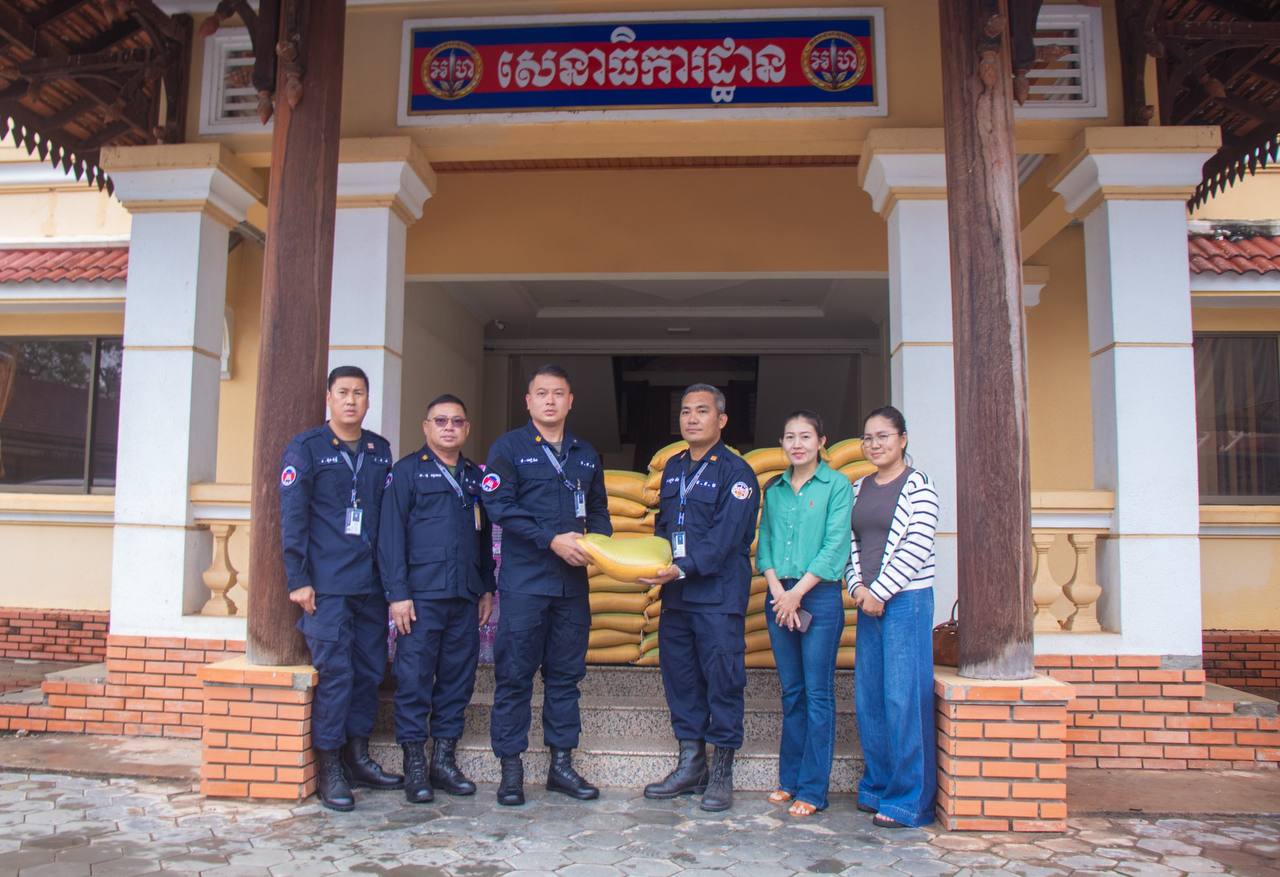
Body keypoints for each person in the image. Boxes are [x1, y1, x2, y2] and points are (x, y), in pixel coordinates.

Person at [483, 364, 611, 805]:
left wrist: (597, 546)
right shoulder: (509, 448)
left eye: (558, 393)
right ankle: (511, 769)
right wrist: (551, 540)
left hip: (571, 588)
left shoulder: (585, 453)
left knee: (565, 677)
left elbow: (599, 511)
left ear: (570, 401)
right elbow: (499, 505)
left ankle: (561, 765)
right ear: (529, 401)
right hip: (525, 585)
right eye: (542, 393)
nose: (550, 400)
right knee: (514, 676)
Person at [279, 365, 402, 811]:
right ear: (329, 398)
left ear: (368, 401)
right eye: (344, 392)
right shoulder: (306, 448)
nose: (351, 400)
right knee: (336, 673)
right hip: (327, 585)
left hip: (370, 583)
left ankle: (358, 755)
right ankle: (330, 765)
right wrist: (298, 579)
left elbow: (387, 519)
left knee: (369, 670)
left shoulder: (378, 450)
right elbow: (293, 516)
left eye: (359, 393)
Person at [640, 383, 759, 812]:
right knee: (682, 679)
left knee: (723, 681)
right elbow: (664, 526)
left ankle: (722, 772)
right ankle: (691, 765)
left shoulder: (737, 473)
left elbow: (726, 537)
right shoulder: (673, 467)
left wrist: (682, 566)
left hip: (718, 597)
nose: (691, 418)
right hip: (677, 596)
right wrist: (651, 565)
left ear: (721, 420)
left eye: (702, 411)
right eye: (686, 411)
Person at [378, 394, 495, 804]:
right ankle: (415, 764)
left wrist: (486, 587)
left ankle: (444, 761)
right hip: (421, 598)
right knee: (413, 680)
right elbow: (390, 537)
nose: (449, 428)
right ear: (426, 427)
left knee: (457, 680)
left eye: (457, 421)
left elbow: (482, 539)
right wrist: (398, 595)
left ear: (467, 429)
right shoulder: (406, 472)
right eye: (440, 421)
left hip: (464, 595)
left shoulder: (475, 478)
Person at [845, 405, 938, 828]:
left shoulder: (919, 486)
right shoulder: (859, 488)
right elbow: (849, 544)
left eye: (883, 436)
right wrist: (858, 590)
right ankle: (877, 786)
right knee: (871, 698)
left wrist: (880, 592)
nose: (874, 444)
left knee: (904, 698)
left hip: (906, 602)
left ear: (902, 439)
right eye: (868, 438)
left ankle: (908, 801)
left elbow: (917, 544)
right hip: (868, 603)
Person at [757, 410, 853, 817]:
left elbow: (836, 545)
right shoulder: (774, 489)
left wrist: (797, 593)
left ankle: (813, 789)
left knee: (817, 693)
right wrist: (779, 591)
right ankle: (789, 779)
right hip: (779, 596)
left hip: (818, 597)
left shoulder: (837, 486)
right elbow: (765, 542)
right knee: (792, 691)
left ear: (821, 442)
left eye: (805, 437)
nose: (797, 444)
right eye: (789, 437)